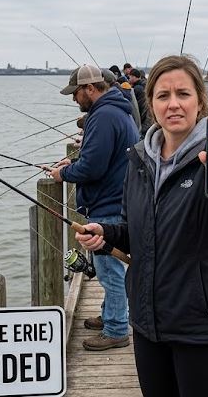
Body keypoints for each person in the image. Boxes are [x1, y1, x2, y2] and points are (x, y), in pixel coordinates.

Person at [74, 55, 208, 397]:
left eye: (183, 94)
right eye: (163, 95)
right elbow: (136, 233)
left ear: (200, 101)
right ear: (152, 104)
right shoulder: (138, 160)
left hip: (203, 326)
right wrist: (107, 233)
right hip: (148, 324)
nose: (173, 104)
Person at [48, 64, 139, 351]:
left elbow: (93, 168)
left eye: (76, 93)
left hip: (108, 203)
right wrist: (73, 162)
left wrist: (64, 173)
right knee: (108, 268)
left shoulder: (103, 115)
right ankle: (111, 314)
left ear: (90, 88)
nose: (74, 99)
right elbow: (101, 157)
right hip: (116, 198)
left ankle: (116, 329)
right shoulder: (116, 110)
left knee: (109, 271)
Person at [128, 68, 150, 136]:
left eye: (130, 77)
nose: (129, 79)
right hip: (147, 117)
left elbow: (137, 106)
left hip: (142, 118)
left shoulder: (137, 89)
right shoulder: (144, 85)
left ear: (134, 77)